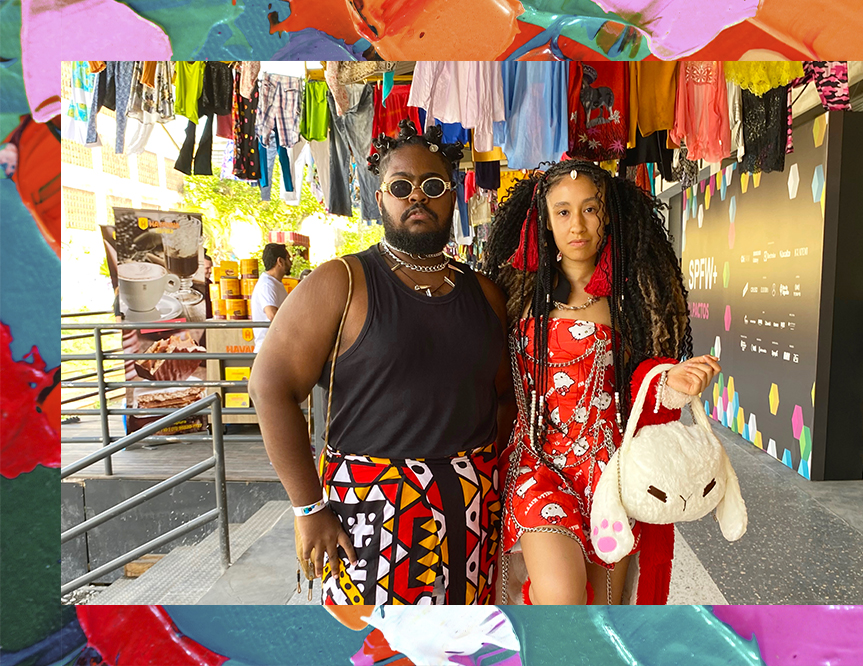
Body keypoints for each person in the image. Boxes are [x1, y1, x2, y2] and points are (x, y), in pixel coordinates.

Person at [248, 119, 516, 606]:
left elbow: (501, 396)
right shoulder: (341, 282)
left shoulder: (486, 295)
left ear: (453, 195)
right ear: (380, 199)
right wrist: (307, 506)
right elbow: (270, 385)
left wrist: (482, 480)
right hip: (367, 515)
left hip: (471, 513)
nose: (418, 197)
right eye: (401, 186)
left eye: (432, 185)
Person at [482, 159, 721, 605]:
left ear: (607, 215)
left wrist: (673, 381)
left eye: (590, 209)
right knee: (563, 600)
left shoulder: (635, 303)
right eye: (563, 211)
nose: (578, 225)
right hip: (538, 467)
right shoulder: (516, 296)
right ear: (544, 221)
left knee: (606, 611)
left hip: (611, 475)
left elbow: (648, 390)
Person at [250, 243, 291, 352]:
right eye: (288, 259)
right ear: (280, 262)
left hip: (276, 348)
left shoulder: (274, 283)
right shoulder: (267, 285)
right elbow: (272, 314)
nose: (290, 262)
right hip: (269, 350)